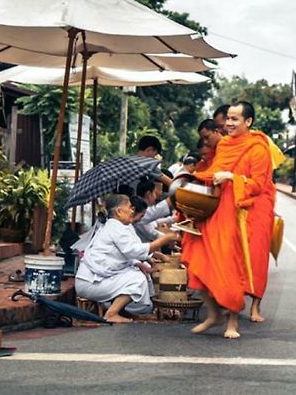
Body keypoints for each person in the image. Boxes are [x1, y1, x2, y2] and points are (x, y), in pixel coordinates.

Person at [181, 101, 275, 338]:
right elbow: (214, 173)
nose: (229, 123)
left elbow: (258, 184)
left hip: (239, 215)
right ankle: (214, 313)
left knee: (231, 267)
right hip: (217, 211)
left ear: (248, 122)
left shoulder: (258, 148)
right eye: (228, 119)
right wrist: (191, 179)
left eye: (235, 119)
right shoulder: (224, 146)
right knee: (198, 256)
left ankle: (232, 322)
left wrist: (233, 177)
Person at [75, 194, 180, 323]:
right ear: (119, 212)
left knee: (136, 272)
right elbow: (134, 250)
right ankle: (111, 313)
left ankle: (121, 310)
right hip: (90, 282)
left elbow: (128, 253)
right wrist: (164, 239)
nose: (132, 211)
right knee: (136, 279)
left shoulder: (119, 226)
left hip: (96, 278)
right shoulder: (115, 227)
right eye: (130, 207)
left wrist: (140, 263)